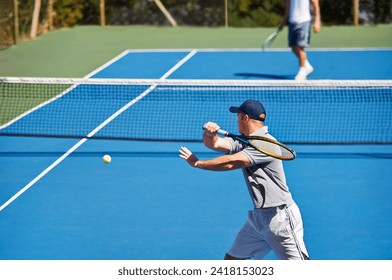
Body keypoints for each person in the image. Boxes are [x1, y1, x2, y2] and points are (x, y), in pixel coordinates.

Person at [179, 99, 309, 260]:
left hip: (280, 218)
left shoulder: (266, 145)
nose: (236, 121)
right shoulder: (246, 141)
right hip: (259, 218)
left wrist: (199, 163)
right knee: (232, 261)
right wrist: (209, 134)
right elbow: (215, 144)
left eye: (238, 117)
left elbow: (232, 162)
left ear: (245, 118)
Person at [284, 0, 321, 81]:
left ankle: (302, 70)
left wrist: (317, 21)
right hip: (292, 21)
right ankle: (306, 65)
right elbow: (287, 2)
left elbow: (315, 2)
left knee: (300, 47)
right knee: (293, 47)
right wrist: (285, 17)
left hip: (304, 20)